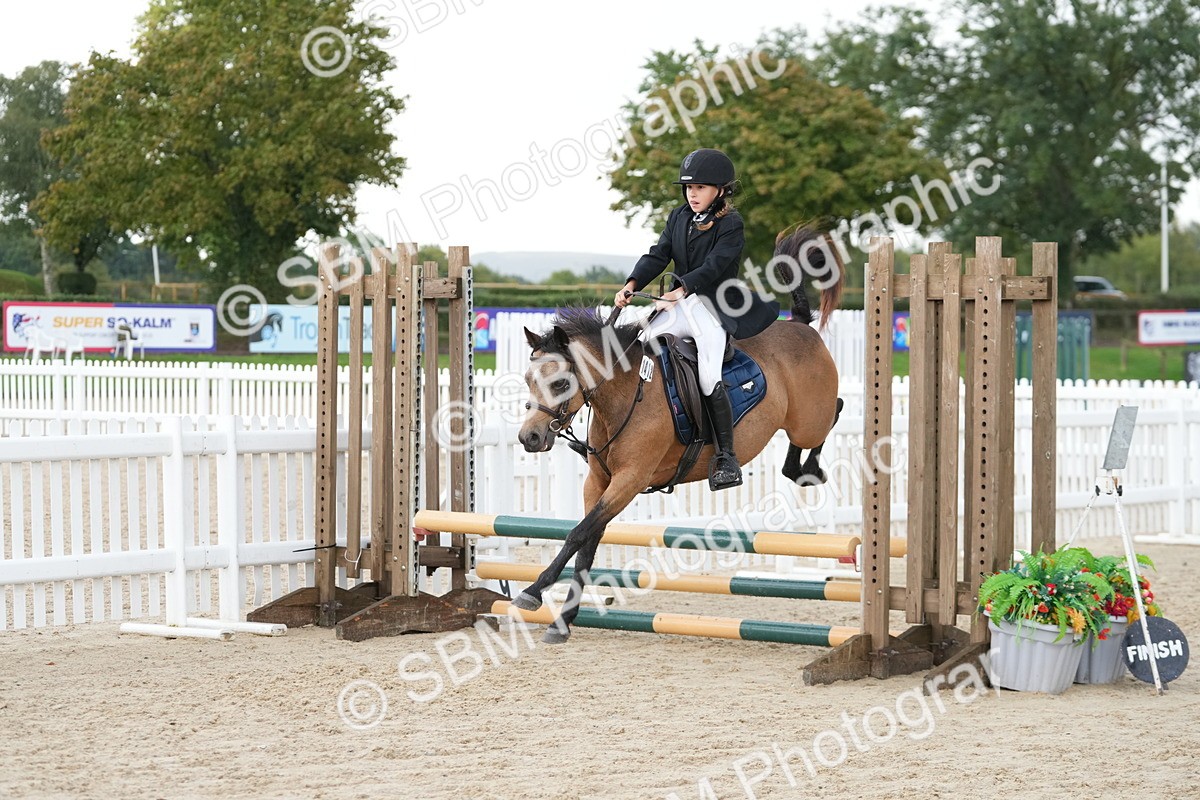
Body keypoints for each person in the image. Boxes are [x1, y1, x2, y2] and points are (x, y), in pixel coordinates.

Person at [615, 148, 779, 490]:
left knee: (707, 377)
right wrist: (632, 284)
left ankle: (725, 457)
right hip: (677, 306)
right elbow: (658, 254)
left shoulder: (731, 223)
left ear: (720, 190)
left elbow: (715, 266)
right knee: (640, 348)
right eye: (689, 187)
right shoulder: (678, 217)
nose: (692, 193)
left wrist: (684, 288)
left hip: (713, 307)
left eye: (701, 187)